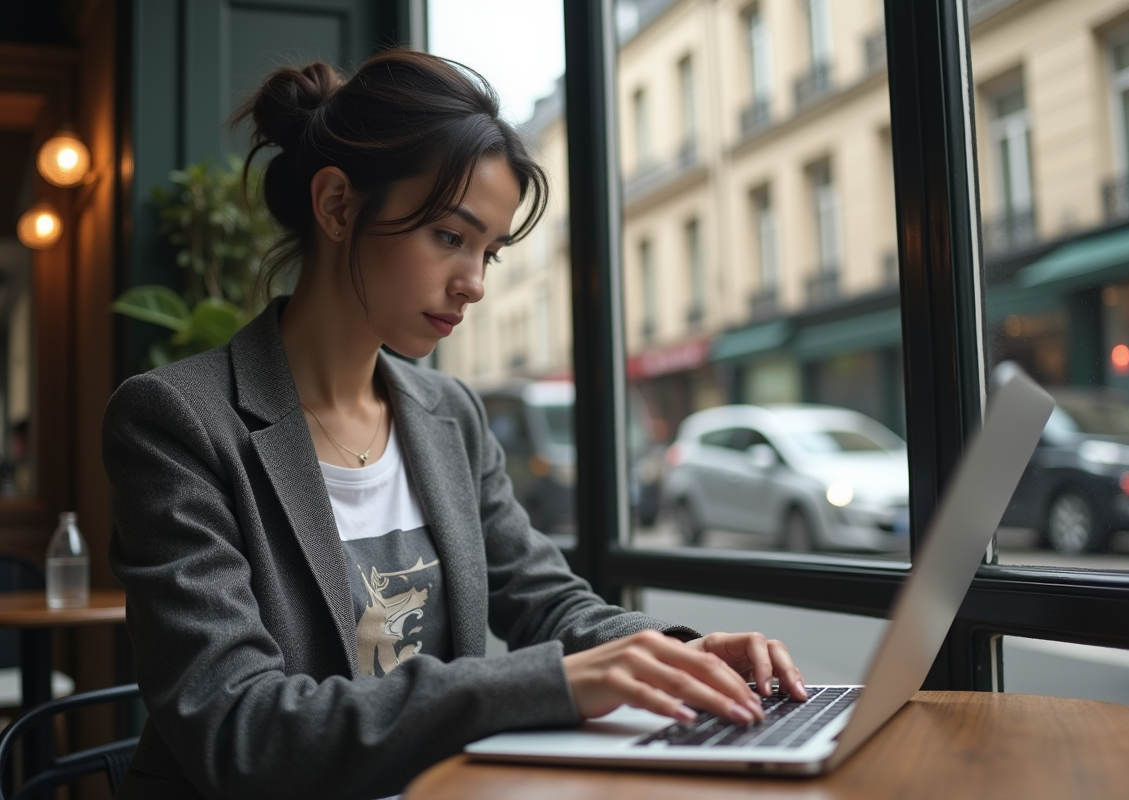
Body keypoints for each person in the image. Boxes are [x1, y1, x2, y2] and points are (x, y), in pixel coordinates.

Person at [102, 49, 806, 800]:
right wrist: (553, 684)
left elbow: (544, 599)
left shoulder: (449, 414)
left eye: (488, 253)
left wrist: (672, 654)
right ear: (337, 205)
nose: (472, 283)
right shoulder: (176, 420)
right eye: (449, 236)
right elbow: (242, 727)